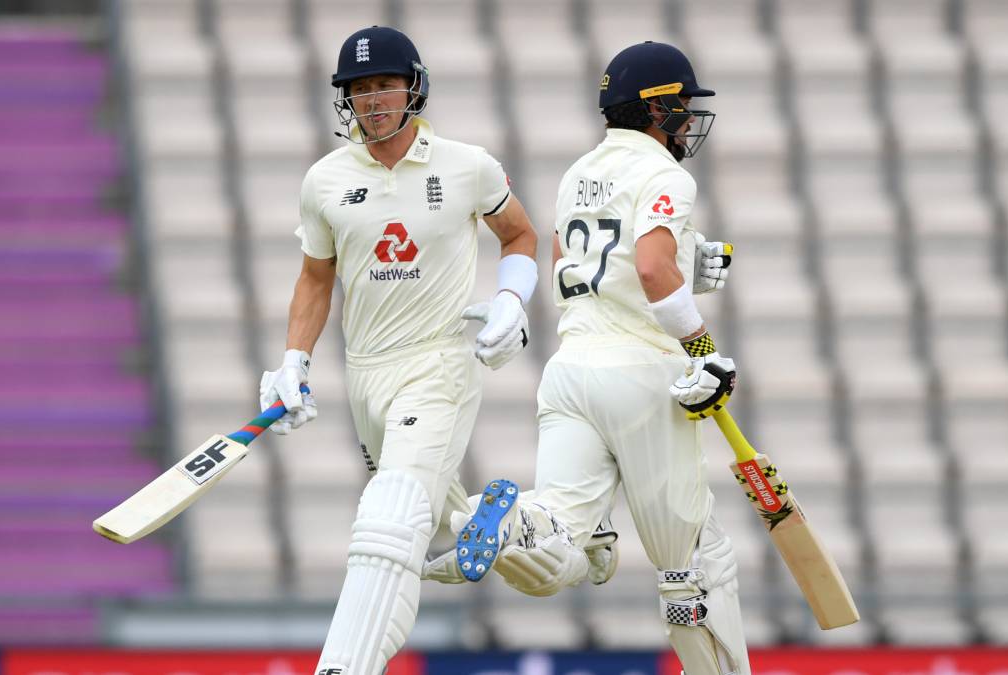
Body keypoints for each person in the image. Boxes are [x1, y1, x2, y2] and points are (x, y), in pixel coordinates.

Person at [458, 42, 752, 675]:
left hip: (571, 372)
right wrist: (704, 351)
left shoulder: (578, 172)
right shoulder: (668, 174)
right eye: (681, 107)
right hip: (643, 379)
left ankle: (511, 526)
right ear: (658, 110)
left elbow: (581, 259)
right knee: (692, 568)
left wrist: (687, 261)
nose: (688, 121)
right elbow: (648, 266)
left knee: (565, 544)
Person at [257, 26, 540, 675]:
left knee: (388, 520)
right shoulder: (325, 181)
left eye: (384, 84)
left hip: (438, 363)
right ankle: (530, 531)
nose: (373, 100)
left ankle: (342, 666)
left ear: (413, 87)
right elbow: (315, 277)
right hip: (367, 378)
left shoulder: (467, 164)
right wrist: (294, 359)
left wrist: (511, 300)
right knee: (435, 536)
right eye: (359, 90)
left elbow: (520, 234)